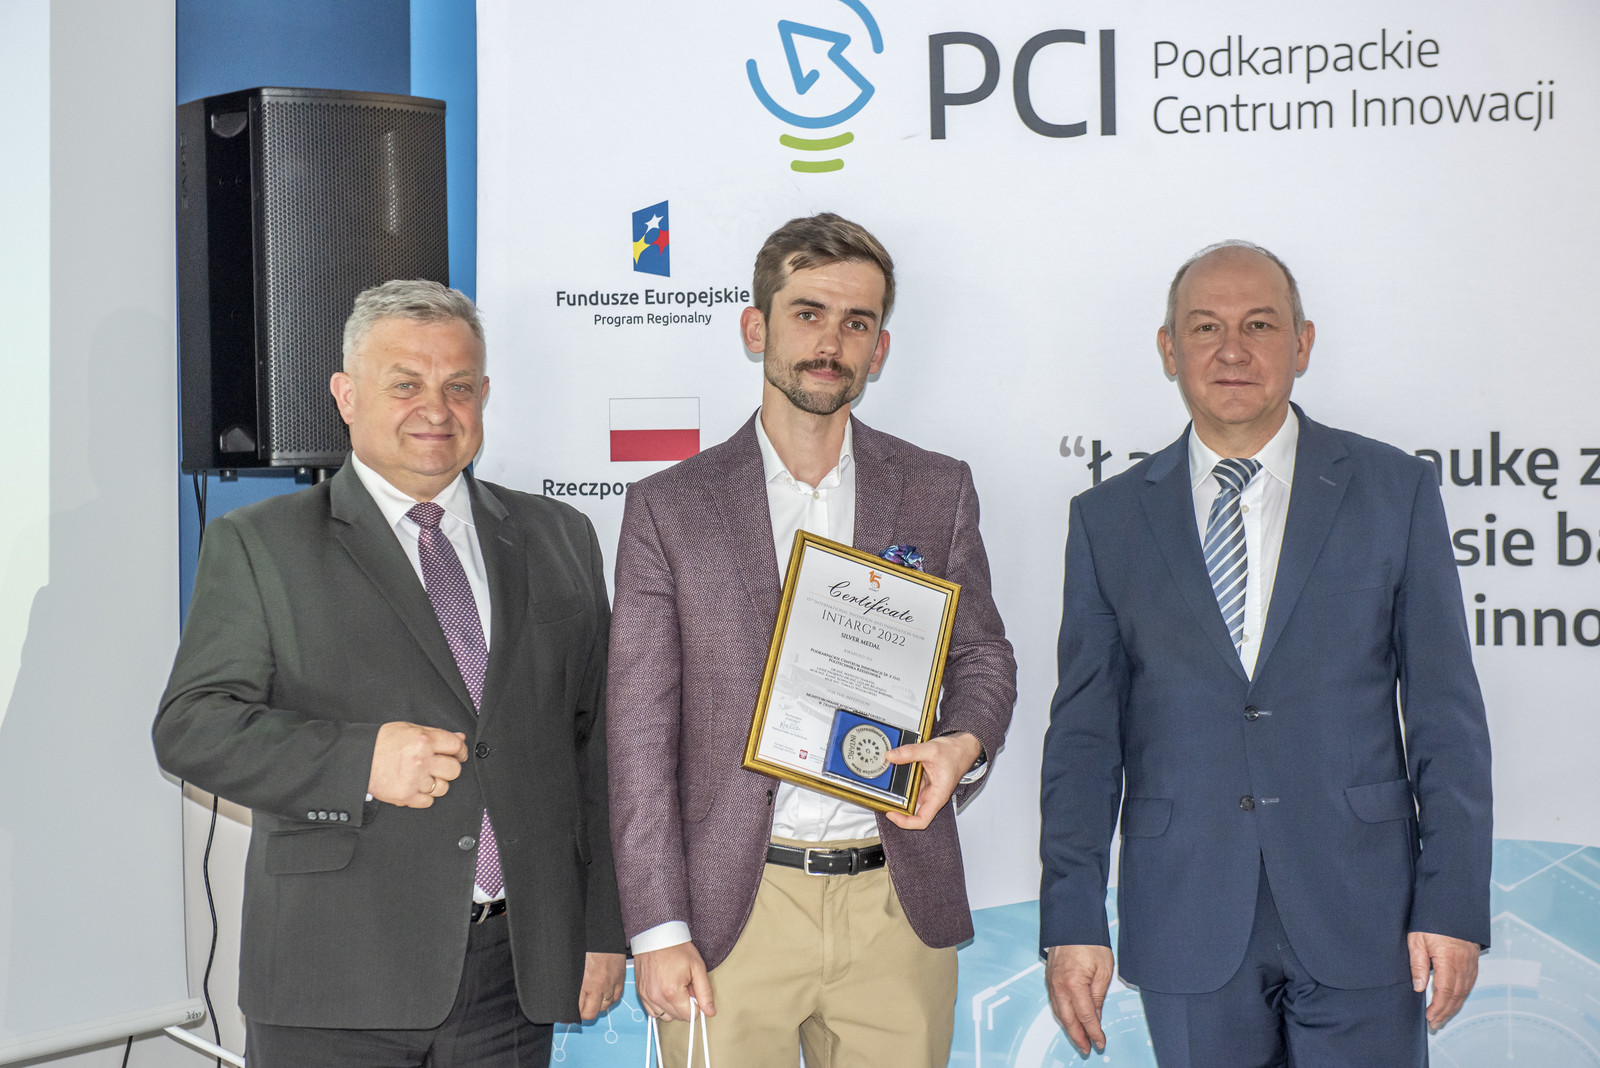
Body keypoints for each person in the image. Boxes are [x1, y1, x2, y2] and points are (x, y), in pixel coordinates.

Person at [1039, 241, 1493, 1066]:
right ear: (1169, 348)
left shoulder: (1394, 491)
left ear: (1303, 342)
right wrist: (1072, 918)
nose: (1232, 350)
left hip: (1366, 911)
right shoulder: (1108, 521)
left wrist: (1454, 901)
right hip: (1187, 914)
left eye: (1259, 325)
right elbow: (1083, 739)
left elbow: (1446, 716)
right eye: (1204, 327)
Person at [154, 279, 625, 1067]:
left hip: (515, 979)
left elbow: (601, 751)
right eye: (405, 384)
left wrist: (603, 929)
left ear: (484, 397)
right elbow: (191, 728)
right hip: (335, 976)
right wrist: (360, 761)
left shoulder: (559, 536)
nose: (435, 409)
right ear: (346, 396)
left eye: (458, 387)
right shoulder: (261, 543)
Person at [606, 213, 1017, 1066]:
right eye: (808, 314)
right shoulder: (669, 508)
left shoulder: (936, 489)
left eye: (856, 322)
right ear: (756, 328)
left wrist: (963, 745)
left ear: (880, 349)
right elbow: (638, 734)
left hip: (895, 906)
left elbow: (982, 655)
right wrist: (657, 927)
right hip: (731, 913)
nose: (831, 342)